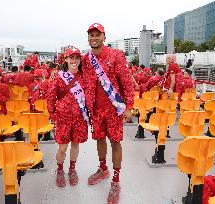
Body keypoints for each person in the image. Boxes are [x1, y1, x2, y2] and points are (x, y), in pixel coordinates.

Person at [82, 23, 134, 204]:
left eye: (97, 34)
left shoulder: (116, 55)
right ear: (88, 38)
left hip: (114, 109)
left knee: (115, 142)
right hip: (95, 109)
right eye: (91, 35)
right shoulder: (85, 59)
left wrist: (128, 107)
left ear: (104, 36)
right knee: (99, 139)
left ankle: (116, 180)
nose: (94, 38)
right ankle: (103, 169)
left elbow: (127, 82)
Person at [47, 47, 89, 187]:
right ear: (66, 59)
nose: (74, 61)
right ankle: (60, 170)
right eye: (71, 57)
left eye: (77, 58)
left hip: (79, 118)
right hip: (63, 118)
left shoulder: (85, 76)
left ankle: (72, 169)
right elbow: (51, 97)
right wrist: (52, 114)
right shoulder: (59, 76)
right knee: (62, 148)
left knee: (75, 145)